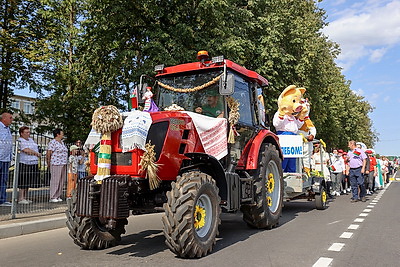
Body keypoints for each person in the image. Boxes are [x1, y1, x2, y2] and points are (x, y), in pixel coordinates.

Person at [17, 126, 41, 204]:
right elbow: (25, 150)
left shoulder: (31, 140)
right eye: (26, 132)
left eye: (29, 132)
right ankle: (21, 198)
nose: (28, 134)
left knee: (28, 180)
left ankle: (25, 197)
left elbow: (34, 148)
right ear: (21, 133)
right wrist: (36, 153)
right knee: (23, 180)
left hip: (33, 162)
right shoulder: (20, 140)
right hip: (24, 162)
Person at [46, 128, 68, 203]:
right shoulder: (53, 142)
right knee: (55, 180)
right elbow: (49, 152)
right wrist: (48, 162)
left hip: (63, 163)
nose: (63, 134)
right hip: (56, 163)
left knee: (61, 180)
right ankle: (53, 196)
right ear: (58, 134)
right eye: (62, 133)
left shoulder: (62, 142)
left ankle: (58, 195)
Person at [0, 112, 13, 207]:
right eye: (10, 118)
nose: (12, 120)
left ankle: (2, 199)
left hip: (6, 159)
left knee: (3, 180)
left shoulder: (8, 129)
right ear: (4, 118)